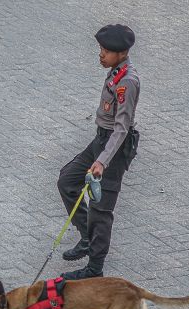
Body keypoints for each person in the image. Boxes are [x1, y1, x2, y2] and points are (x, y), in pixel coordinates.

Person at [58, 24, 140, 280]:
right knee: (67, 180)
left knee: (101, 210)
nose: (100, 54)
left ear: (122, 52)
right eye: (101, 49)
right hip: (101, 139)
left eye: (105, 51)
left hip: (114, 148)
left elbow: (122, 128)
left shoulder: (128, 81)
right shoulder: (116, 71)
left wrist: (102, 161)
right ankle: (87, 236)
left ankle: (94, 269)